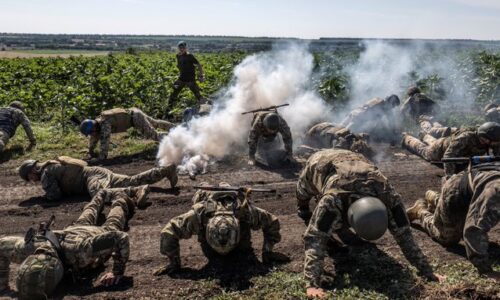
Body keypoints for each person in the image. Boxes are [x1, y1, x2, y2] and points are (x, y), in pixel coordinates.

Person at [296, 149, 442, 298]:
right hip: (321, 162)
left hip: (356, 160)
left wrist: (427, 271)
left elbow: (405, 235)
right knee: (303, 196)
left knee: (334, 223)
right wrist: (312, 284)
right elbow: (315, 238)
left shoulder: (389, 196)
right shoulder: (333, 200)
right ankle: (303, 209)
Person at [0, 187, 149, 299]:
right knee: (90, 210)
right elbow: (2, 245)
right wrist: (2, 286)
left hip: (92, 235)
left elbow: (120, 238)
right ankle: (101, 194)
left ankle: (121, 198)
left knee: (115, 219)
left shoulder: (83, 250)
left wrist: (117, 272)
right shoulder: (28, 248)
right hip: (73, 229)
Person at [155, 182, 282, 275]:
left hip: (239, 241)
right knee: (202, 190)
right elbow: (169, 231)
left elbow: (272, 222)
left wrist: (267, 252)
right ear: (207, 227)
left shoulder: (245, 213)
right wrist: (174, 262)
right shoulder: (199, 215)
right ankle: (211, 186)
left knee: (227, 187)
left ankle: (224, 185)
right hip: (208, 197)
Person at [406, 162, 500, 282]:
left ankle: (435, 199)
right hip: (455, 194)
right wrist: (486, 271)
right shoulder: (496, 194)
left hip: (477, 190)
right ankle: (420, 210)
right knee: (447, 238)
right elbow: (473, 230)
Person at [18, 156, 177, 201]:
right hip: (96, 172)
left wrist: (43, 198)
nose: (32, 180)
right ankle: (165, 170)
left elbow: (55, 196)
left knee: (99, 195)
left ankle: (137, 192)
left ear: (32, 171)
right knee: (132, 179)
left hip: (91, 177)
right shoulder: (51, 165)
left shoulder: (46, 174)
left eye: (29, 177)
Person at [402, 122, 500, 176]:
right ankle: (407, 138)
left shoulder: (492, 140)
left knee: (431, 141)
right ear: (486, 138)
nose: (497, 143)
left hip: (451, 145)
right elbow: (449, 156)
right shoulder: (465, 138)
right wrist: (450, 176)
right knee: (424, 151)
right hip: (440, 149)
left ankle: (425, 136)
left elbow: (497, 156)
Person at [80, 107, 175, 160]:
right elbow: (94, 138)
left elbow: (104, 143)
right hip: (134, 112)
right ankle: (175, 128)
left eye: (90, 133)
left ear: (93, 128)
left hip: (135, 119)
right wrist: (91, 151)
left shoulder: (105, 124)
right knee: (155, 123)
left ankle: (176, 138)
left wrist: (100, 158)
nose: (91, 135)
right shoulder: (98, 123)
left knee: (153, 135)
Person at [166, 41, 205, 117]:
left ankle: (205, 111)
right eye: (180, 47)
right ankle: (168, 113)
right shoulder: (178, 56)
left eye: (183, 47)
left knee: (198, 96)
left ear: (186, 48)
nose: (181, 49)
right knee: (173, 94)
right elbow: (180, 67)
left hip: (190, 80)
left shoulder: (189, 56)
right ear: (178, 48)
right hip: (181, 79)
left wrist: (201, 76)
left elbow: (199, 65)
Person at [301, 122, 374, 159]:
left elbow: (366, 135)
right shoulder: (341, 143)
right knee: (306, 147)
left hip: (329, 124)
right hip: (316, 131)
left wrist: (368, 144)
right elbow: (331, 152)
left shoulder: (354, 137)